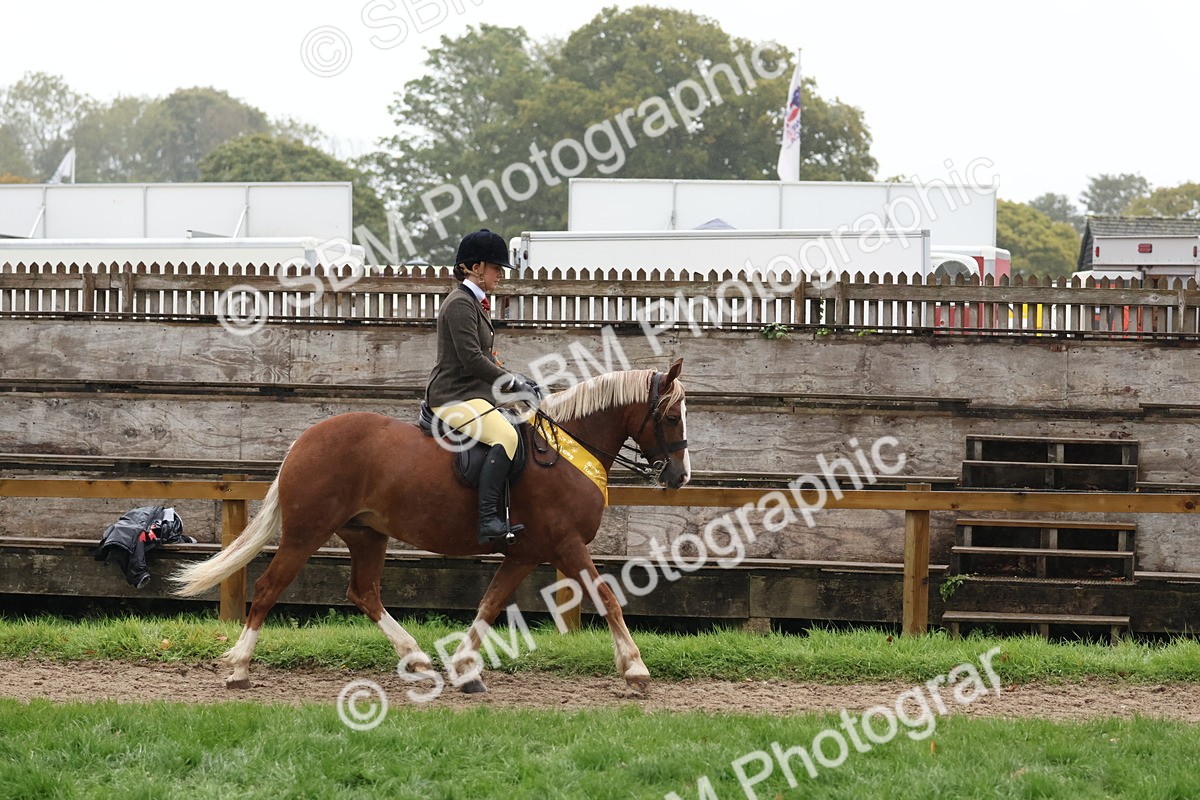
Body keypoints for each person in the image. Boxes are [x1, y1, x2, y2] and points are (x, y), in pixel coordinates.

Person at [426, 229, 539, 546]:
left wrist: (518, 379)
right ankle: (489, 519)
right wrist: (512, 382)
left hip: (473, 394)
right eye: (495, 267)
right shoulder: (460, 304)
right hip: (452, 396)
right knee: (505, 436)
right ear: (475, 267)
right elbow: (473, 360)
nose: (500, 275)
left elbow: (486, 357)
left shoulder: (473, 304)